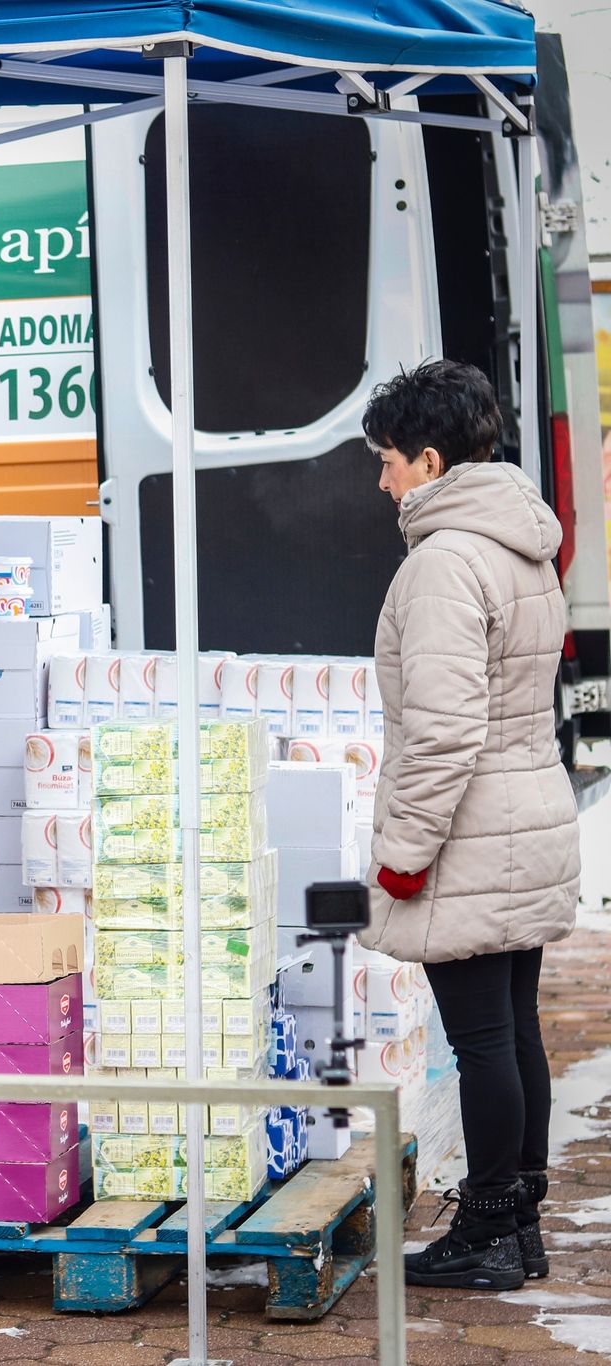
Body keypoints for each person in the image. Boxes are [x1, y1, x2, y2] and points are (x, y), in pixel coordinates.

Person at [362, 359, 581, 1291]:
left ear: (430, 458)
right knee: (512, 1028)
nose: (382, 482)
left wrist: (403, 857)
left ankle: (490, 1227)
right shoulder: (521, 541)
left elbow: (444, 732)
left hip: (470, 833)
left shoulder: (445, 561)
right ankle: (516, 1218)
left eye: (388, 462)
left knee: (484, 1038)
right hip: (526, 812)